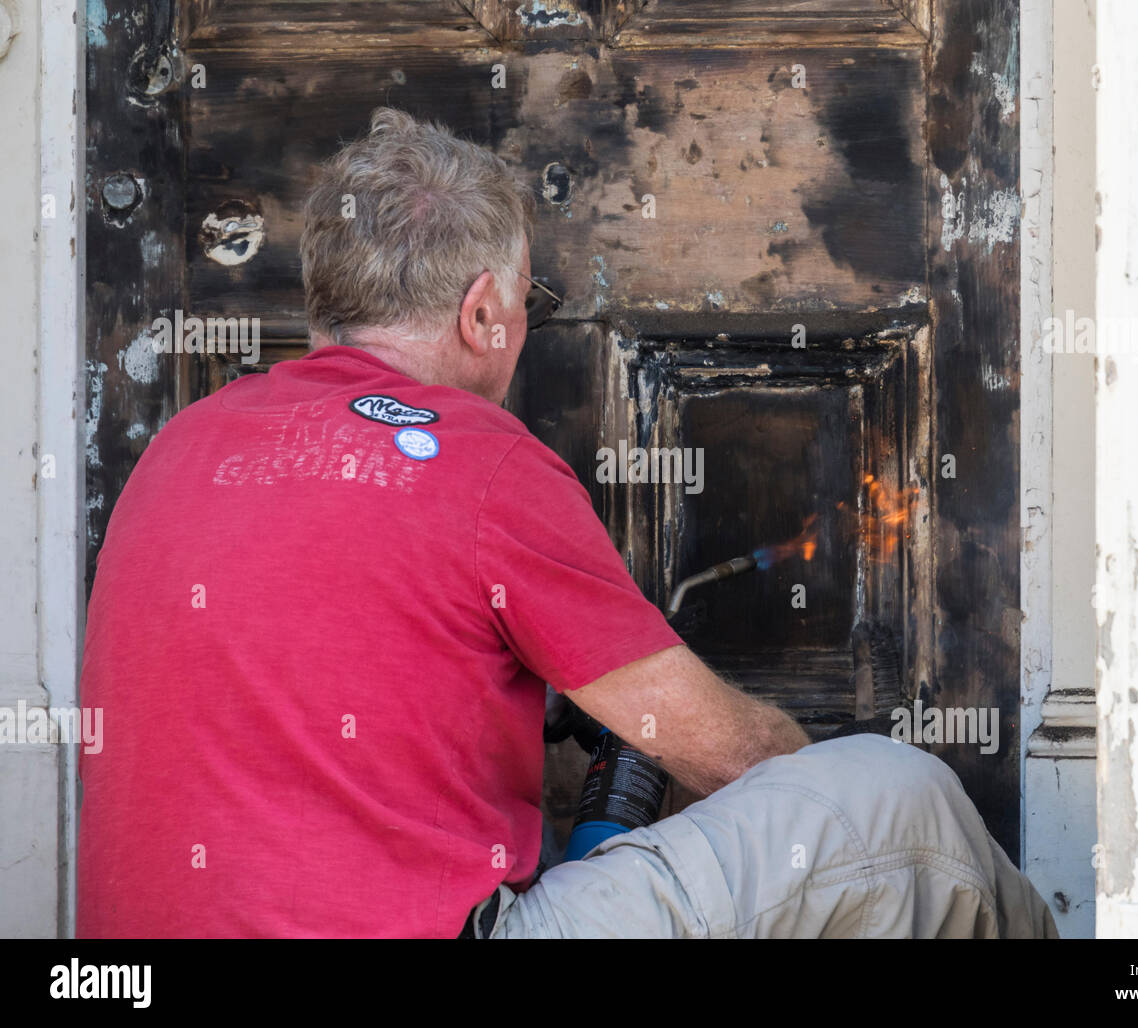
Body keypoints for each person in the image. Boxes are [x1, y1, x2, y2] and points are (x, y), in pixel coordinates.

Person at [76, 107, 1057, 939]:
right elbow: (732, 757)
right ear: (482, 313)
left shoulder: (180, 447)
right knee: (897, 803)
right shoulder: (477, 457)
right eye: (530, 304)